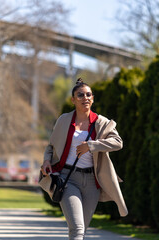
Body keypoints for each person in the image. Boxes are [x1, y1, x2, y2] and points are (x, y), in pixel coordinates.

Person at [41, 78, 128, 240]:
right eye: (80, 95)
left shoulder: (102, 123)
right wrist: (47, 160)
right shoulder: (64, 120)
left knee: (81, 230)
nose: (85, 98)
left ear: (93, 99)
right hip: (68, 179)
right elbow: (51, 146)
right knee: (77, 228)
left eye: (88, 95)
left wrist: (91, 145)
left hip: (92, 182)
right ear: (73, 100)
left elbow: (118, 143)